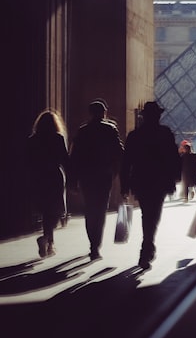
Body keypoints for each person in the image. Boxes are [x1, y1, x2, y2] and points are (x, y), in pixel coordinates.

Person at [120, 101, 180, 270]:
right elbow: (173, 158)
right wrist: (175, 178)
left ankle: (147, 247)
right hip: (160, 181)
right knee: (154, 215)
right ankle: (147, 247)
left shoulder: (134, 136)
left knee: (147, 214)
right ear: (158, 116)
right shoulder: (165, 133)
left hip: (141, 181)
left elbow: (126, 163)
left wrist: (124, 185)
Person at [70, 98, 124, 261]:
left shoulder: (83, 131)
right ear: (104, 112)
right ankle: (96, 245)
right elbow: (119, 152)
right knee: (100, 209)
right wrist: (118, 172)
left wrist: (73, 180)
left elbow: (75, 157)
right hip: (104, 175)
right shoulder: (110, 129)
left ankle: (92, 242)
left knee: (89, 209)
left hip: (86, 176)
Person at [26, 109, 70, 258]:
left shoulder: (33, 139)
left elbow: (28, 161)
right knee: (55, 211)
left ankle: (49, 242)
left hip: (38, 177)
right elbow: (65, 159)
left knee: (45, 210)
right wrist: (72, 176)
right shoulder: (58, 138)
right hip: (54, 176)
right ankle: (47, 240)